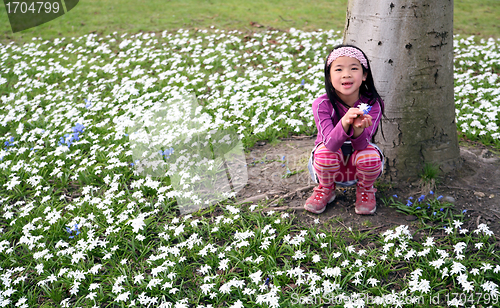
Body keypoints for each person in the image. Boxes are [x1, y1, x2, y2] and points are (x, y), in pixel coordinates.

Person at [305, 44, 384, 215]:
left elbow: (363, 145)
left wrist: (357, 129)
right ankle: (326, 189)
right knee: (325, 152)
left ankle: (365, 190)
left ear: (364, 75)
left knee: (370, 155)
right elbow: (331, 144)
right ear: (329, 76)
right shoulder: (321, 105)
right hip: (328, 166)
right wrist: (344, 122)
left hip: (358, 165)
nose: (346, 74)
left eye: (354, 68)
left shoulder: (372, 104)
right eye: (339, 69)